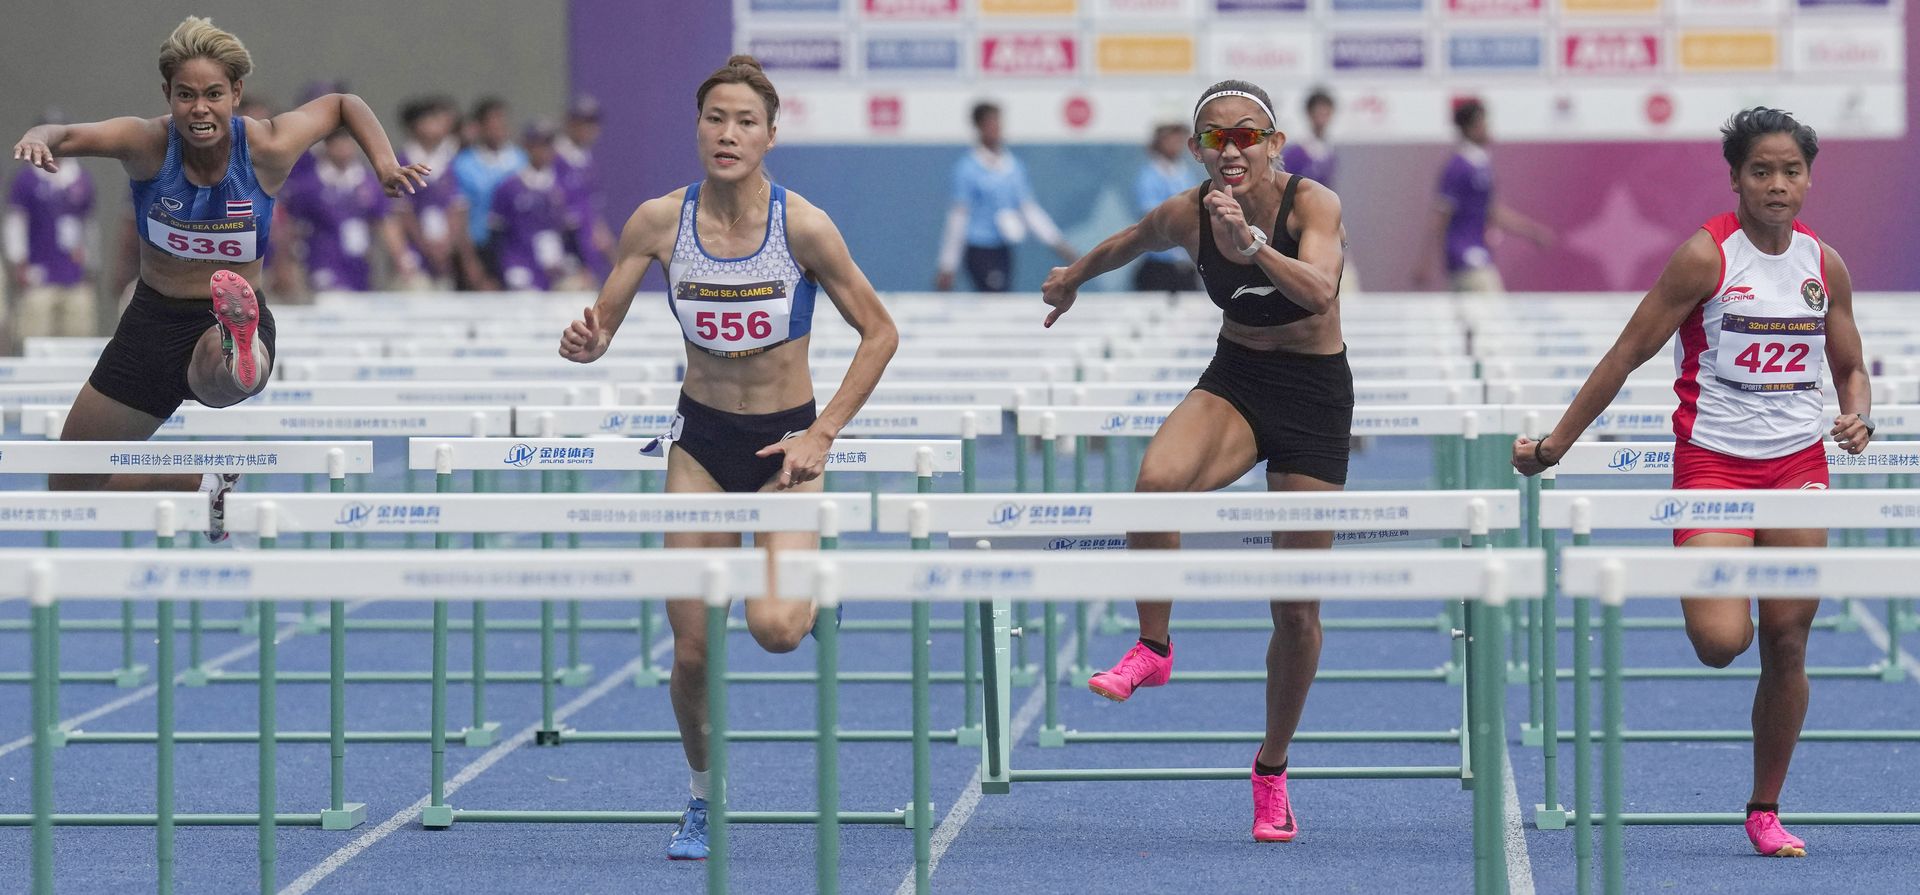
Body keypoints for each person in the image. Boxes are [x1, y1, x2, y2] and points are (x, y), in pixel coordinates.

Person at [556, 54, 897, 861]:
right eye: (717, 118)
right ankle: (703, 796)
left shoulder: (804, 226)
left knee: (776, 630)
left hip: (787, 445)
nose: (729, 133)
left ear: (770, 135)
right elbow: (601, 324)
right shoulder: (656, 222)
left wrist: (823, 435)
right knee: (693, 647)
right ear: (698, 128)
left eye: (746, 121)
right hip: (701, 443)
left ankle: (811, 594)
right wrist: (585, 342)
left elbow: (880, 333)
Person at [1512, 107, 1872, 860]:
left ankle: (1765, 807)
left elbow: (1850, 366)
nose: (1778, 184)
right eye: (1762, 171)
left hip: (1800, 464)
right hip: (1710, 461)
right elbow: (1624, 356)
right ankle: (1727, 603)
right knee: (1719, 641)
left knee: (1788, 635)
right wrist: (1554, 445)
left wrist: (1858, 415)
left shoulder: (1824, 264)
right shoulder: (1705, 258)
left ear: (1809, 177)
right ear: (1736, 177)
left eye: (1791, 170)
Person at [1040, 79, 1350, 844]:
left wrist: (1253, 247)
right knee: (1155, 483)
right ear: (1197, 150)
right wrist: (1074, 276)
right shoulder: (1188, 212)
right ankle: (1153, 644)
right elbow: (1129, 240)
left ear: (1274, 144)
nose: (1231, 148)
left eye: (1247, 134)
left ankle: (1271, 770)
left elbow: (1318, 290)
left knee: (1296, 609)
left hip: (1313, 397)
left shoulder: (1315, 205)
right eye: (1214, 137)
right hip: (1237, 380)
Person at [7, 16, 426, 539]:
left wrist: (384, 164)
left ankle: (239, 352)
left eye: (212, 94)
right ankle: (195, 480)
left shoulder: (268, 146)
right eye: (185, 95)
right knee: (69, 488)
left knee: (215, 373)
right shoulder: (146, 142)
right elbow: (66, 134)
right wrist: (36, 137)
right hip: (149, 326)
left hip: (221, 312)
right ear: (167, 94)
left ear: (236, 92)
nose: (199, 109)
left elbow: (343, 103)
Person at [934, 101, 1074, 292]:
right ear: (979, 127)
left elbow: (1029, 210)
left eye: (998, 122)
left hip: (1004, 249)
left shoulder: (1014, 167)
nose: (996, 128)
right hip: (978, 249)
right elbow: (958, 218)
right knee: (993, 294)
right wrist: (948, 265)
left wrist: (1057, 243)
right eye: (990, 123)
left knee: (1002, 297)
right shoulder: (967, 169)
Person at [1415, 98, 1551, 293]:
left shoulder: (1481, 163)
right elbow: (1439, 216)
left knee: (1479, 318)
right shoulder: (1458, 167)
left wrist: (1531, 231)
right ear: (1471, 128)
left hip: (1475, 257)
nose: (1488, 128)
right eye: (1483, 123)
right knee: (1492, 317)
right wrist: (1425, 260)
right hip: (1466, 258)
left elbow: (1491, 211)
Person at [281, 128, 415, 292]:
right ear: (327, 147)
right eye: (338, 143)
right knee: (335, 301)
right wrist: (285, 264)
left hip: (361, 262)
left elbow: (385, 222)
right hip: (324, 260)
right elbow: (291, 225)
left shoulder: (368, 182)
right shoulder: (309, 184)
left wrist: (402, 258)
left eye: (348, 142)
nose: (344, 148)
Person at [6, 108, 96, 349]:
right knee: (35, 337)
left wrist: (90, 265)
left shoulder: (81, 179)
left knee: (78, 337)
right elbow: (16, 223)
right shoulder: (26, 180)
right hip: (38, 271)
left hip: (73, 272)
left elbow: (88, 225)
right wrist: (19, 262)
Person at [394, 95, 472, 290]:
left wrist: (447, 245)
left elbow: (457, 206)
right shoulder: (403, 161)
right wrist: (424, 245)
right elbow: (403, 212)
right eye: (431, 120)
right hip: (415, 251)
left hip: (445, 252)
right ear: (415, 126)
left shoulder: (450, 161)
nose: (439, 126)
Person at [489, 121, 577, 291]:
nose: (544, 151)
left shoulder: (563, 186)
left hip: (556, 269)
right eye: (538, 144)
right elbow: (496, 236)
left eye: (548, 144)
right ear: (527, 146)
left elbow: (570, 233)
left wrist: (571, 263)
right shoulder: (509, 187)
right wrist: (498, 272)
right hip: (520, 268)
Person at [450, 96, 524, 290]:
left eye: (502, 121)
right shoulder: (463, 164)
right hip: (480, 246)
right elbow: (459, 215)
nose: (499, 128)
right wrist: (470, 262)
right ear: (479, 127)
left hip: (515, 248)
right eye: (493, 122)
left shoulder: (519, 160)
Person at [1131, 123, 1200, 293]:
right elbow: (1151, 216)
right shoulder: (1149, 176)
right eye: (1171, 138)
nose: (1176, 143)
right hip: (1159, 265)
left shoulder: (1184, 173)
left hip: (1185, 264)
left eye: (1179, 138)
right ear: (1159, 141)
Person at [555, 95, 614, 282]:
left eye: (593, 122)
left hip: (587, 253)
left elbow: (592, 214)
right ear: (569, 123)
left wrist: (612, 255)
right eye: (583, 122)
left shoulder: (586, 160)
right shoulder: (554, 158)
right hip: (564, 252)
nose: (589, 129)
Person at [1279, 88, 1336, 189]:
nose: (1322, 120)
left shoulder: (1329, 151)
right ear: (1309, 114)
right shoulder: (1297, 151)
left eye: (1326, 114)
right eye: (1319, 114)